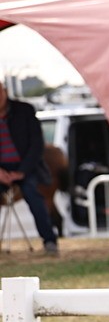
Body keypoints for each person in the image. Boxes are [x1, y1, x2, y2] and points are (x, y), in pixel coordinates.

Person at [0, 83, 57, 255]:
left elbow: (37, 144)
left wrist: (22, 171)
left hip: (25, 167)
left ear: (5, 92)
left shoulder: (24, 110)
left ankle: (49, 241)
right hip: (1, 170)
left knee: (35, 196)